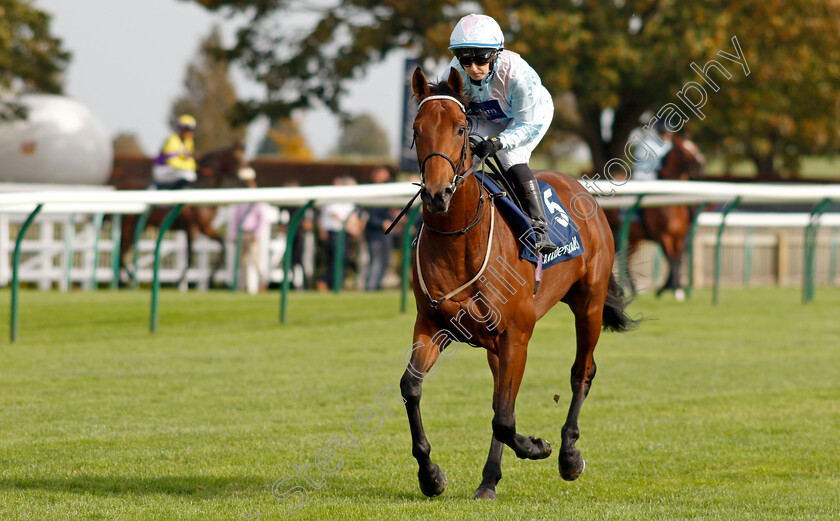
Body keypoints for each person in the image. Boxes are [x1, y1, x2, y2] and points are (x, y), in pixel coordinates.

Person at [444, 13, 557, 254]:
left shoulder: (519, 75)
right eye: (466, 60)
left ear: (496, 53)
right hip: (490, 115)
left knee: (509, 158)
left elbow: (528, 126)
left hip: (528, 117)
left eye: (481, 59)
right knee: (462, 156)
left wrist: (498, 142)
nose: (473, 68)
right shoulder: (454, 72)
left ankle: (539, 229)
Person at [228, 167, 272, 294]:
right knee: (242, 262)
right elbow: (236, 218)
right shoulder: (241, 199)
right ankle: (243, 286)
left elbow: (263, 218)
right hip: (242, 233)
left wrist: (256, 233)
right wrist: (233, 234)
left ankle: (262, 284)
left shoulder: (258, 199)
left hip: (251, 234)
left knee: (254, 259)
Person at [317, 177, 360, 292]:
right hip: (334, 233)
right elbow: (336, 215)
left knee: (343, 259)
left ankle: (333, 284)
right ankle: (324, 282)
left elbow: (352, 216)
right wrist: (351, 228)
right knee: (336, 259)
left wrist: (355, 229)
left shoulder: (349, 201)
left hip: (344, 234)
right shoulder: (334, 197)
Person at [361, 167, 396, 290]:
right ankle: (371, 288)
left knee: (385, 262)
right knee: (376, 262)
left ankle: (376, 286)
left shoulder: (388, 190)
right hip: (374, 233)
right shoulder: (371, 192)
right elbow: (368, 215)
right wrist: (382, 223)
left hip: (386, 233)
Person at [152, 114, 198, 189]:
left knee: (191, 175)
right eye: (187, 130)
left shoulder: (189, 142)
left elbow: (190, 160)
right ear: (180, 130)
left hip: (176, 171)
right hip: (163, 169)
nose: (190, 133)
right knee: (189, 175)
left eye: (192, 130)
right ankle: (158, 187)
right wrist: (191, 166)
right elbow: (172, 162)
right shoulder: (172, 140)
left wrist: (192, 166)